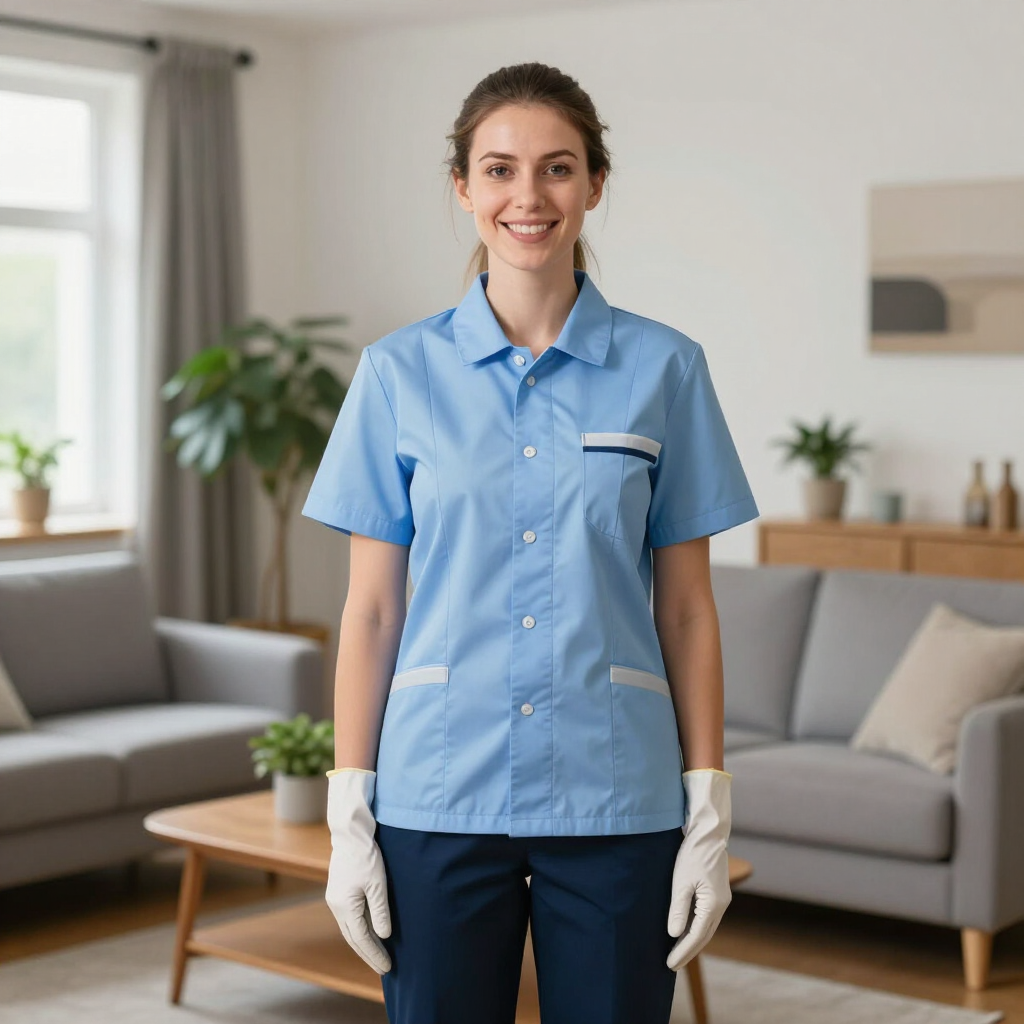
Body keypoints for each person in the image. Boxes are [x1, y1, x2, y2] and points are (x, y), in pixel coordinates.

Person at [301, 61, 759, 1024]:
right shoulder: (395, 375)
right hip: (434, 793)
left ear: (595, 184)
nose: (528, 196)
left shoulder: (666, 369)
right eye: (499, 169)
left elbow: (684, 605)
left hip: (615, 795)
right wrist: (350, 805)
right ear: (463, 188)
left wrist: (709, 798)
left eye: (557, 168)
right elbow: (373, 608)